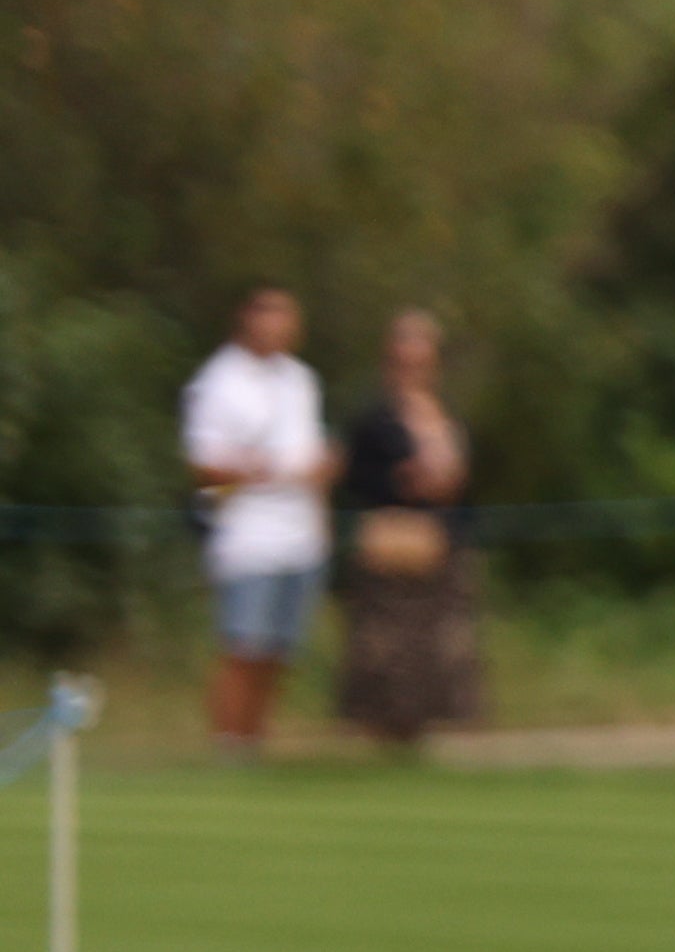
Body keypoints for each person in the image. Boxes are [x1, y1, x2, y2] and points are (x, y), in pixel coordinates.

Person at [179, 280, 331, 754]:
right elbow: (202, 465)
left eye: (285, 313)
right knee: (242, 645)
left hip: (299, 533)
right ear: (247, 316)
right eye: (266, 311)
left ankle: (256, 741)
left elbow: (314, 456)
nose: (276, 322)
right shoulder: (219, 381)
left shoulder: (301, 380)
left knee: (278, 650)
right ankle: (227, 743)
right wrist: (255, 469)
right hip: (246, 534)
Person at [329, 307, 483, 752]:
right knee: (386, 647)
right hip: (392, 543)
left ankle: (424, 737)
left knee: (440, 645)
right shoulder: (373, 417)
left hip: (441, 541)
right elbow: (355, 479)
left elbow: (463, 481)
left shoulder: (448, 416)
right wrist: (402, 480)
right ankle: (383, 734)